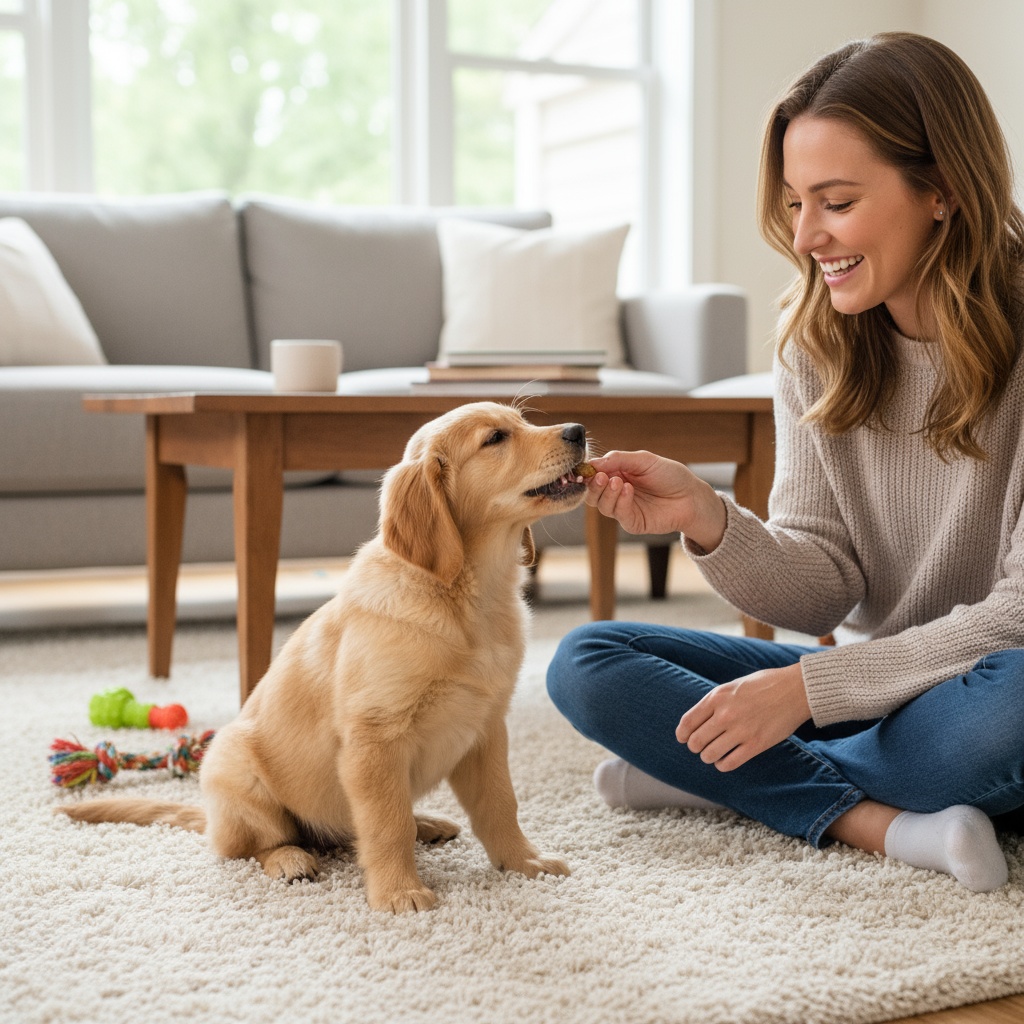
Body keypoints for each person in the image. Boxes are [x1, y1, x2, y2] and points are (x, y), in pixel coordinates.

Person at [546, 31, 1024, 892]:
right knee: (589, 664)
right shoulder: (816, 343)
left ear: (943, 189)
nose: (805, 237)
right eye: (796, 202)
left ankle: (719, 779)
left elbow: (1019, 617)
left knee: (1012, 711)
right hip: (879, 695)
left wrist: (807, 694)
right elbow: (823, 586)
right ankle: (879, 821)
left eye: (835, 202)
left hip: (984, 683)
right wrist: (708, 517)